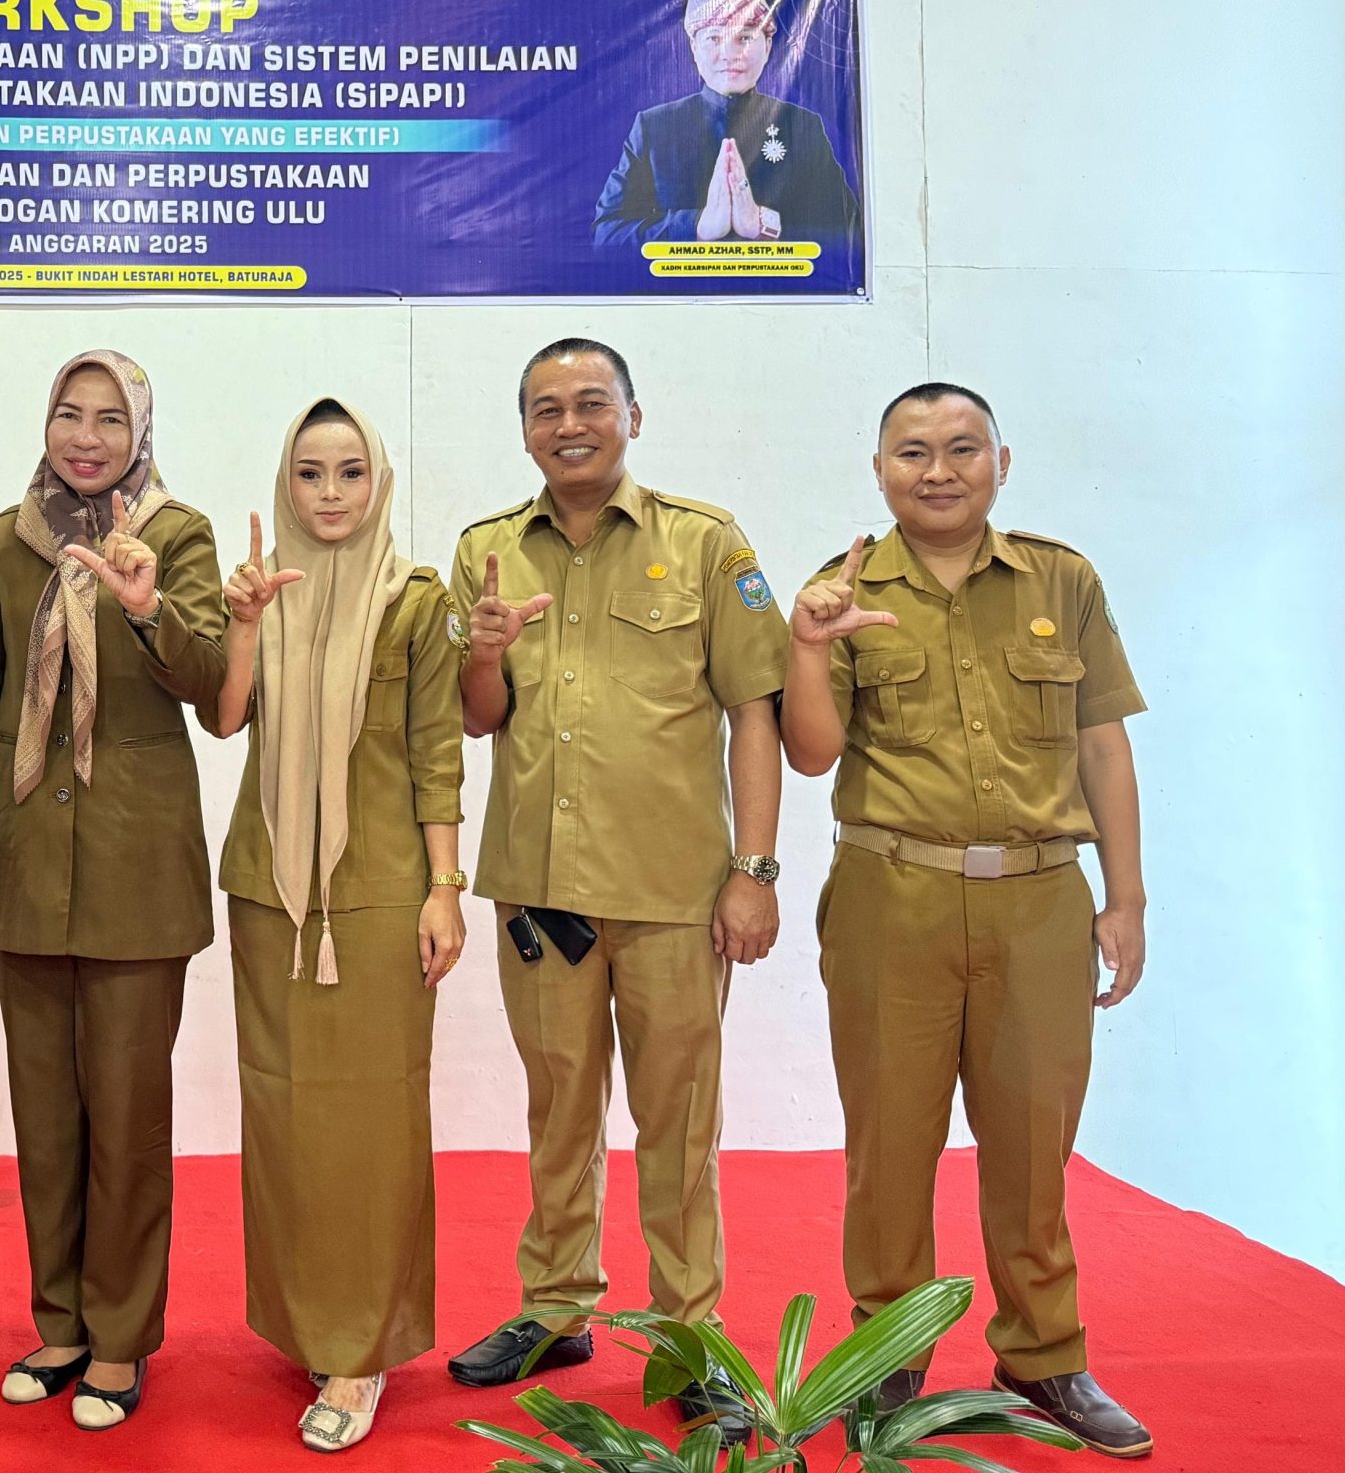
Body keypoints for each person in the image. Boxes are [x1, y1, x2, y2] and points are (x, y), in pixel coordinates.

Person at [782, 383, 1152, 1458]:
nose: (937, 471)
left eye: (961, 449)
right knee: (890, 1143)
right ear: (878, 468)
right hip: (889, 895)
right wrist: (807, 647)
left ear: (1001, 461)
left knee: (1034, 1142)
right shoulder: (841, 589)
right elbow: (810, 753)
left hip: (1039, 899)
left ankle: (1043, 1354)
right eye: (911, 452)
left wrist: (1126, 896)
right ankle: (886, 1357)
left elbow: (1101, 743)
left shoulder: (1061, 580)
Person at [444, 338, 784, 1443]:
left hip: (675, 891)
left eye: (592, 402)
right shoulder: (487, 550)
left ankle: (690, 1339)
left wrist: (754, 871)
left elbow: (755, 712)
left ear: (634, 416)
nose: (569, 424)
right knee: (557, 1109)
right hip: (541, 889)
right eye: (546, 409)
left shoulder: (704, 543)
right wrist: (482, 652)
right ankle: (555, 1308)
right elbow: (479, 716)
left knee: (678, 1125)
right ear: (524, 431)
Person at [0, 351, 226, 1431]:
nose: (88, 437)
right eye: (70, 413)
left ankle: (120, 1338)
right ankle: (59, 1323)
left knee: (127, 1119)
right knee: (47, 1117)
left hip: (134, 866)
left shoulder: (179, 533)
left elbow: (211, 687)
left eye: (112, 419)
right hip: (26, 858)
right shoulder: (2, 542)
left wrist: (148, 608)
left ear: (140, 432)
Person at [204, 399, 466, 1454]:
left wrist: (444, 887)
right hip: (269, 890)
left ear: (378, 481)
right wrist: (241, 626)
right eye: (309, 473)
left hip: (377, 893)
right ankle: (311, 1324)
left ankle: (362, 1351)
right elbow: (225, 719)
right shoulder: (261, 589)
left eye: (349, 472)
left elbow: (438, 750)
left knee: (373, 1123)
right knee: (283, 1113)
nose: (328, 493)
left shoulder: (415, 599)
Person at [592, 0, 857, 248]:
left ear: (768, 45)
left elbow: (849, 230)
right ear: (694, 48)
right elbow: (606, 234)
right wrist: (697, 226)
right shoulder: (654, 127)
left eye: (744, 38)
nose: (730, 55)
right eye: (714, 39)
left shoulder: (802, 126)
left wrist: (763, 224)